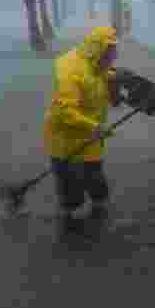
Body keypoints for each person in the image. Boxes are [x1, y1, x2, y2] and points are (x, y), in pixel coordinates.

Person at [42, 25, 122, 236]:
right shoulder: (70, 71)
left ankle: (99, 212)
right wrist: (94, 126)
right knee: (71, 186)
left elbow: (105, 86)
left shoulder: (98, 64)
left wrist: (114, 84)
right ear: (97, 50)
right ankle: (70, 226)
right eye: (109, 55)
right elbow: (65, 111)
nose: (112, 60)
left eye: (113, 53)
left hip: (90, 134)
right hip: (64, 138)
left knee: (96, 180)